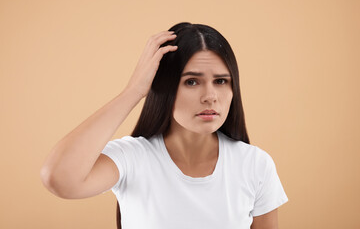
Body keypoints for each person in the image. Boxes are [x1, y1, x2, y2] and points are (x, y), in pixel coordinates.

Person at [40, 22, 289, 229]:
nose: (210, 96)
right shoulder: (132, 158)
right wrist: (134, 91)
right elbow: (59, 178)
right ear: (165, 87)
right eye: (192, 82)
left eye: (221, 81)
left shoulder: (255, 165)